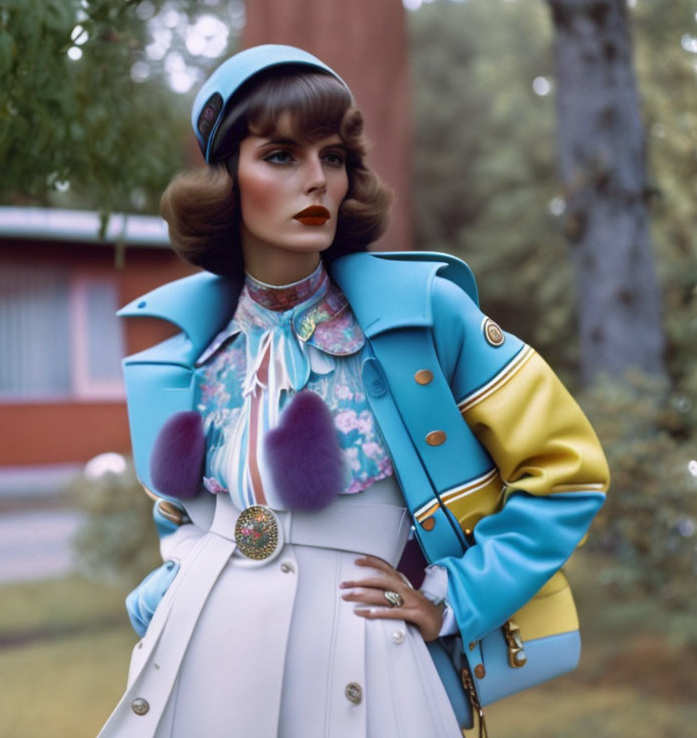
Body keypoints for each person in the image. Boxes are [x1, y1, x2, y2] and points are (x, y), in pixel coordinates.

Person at [98, 45, 609, 738]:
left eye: (332, 157)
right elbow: (177, 515)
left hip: (364, 651)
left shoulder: (426, 317)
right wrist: (178, 577)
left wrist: (458, 596)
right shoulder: (186, 353)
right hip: (201, 647)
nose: (316, 181)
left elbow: (566, 470)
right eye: (281, 155)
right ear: (226, 180)